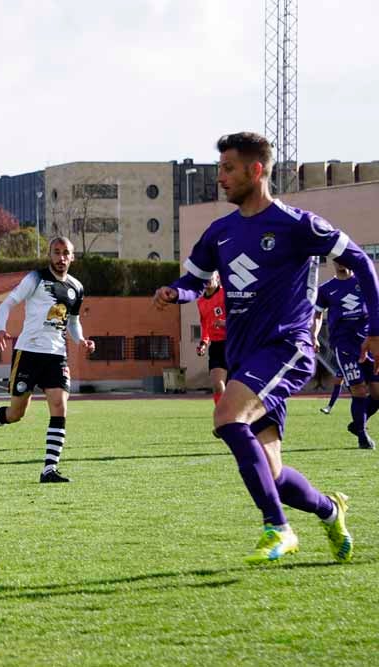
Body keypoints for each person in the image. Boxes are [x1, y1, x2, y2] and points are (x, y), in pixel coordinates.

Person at [153, 131, 379, 564]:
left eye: (228, 169)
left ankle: (277, 528)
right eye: (219, 168)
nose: (220, 178)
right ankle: (330, 510)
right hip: (244, 356)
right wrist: (173, 293)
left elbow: (361, 261)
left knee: (225, 416)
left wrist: (377, 327)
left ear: (257, 170)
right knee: (271, 473)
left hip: (286, 347)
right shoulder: (220, 232)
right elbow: (194, 282)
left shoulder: (298, 225)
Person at [0, 236, 95, 483]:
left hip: (56, 355)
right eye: (57, 252)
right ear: (50, 255)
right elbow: (7, 304)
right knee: (15, 413)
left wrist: (81, 340)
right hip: (28, 353)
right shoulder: (35, 278)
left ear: (72, 257)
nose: (61, 257)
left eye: (66, 253)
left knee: (59, 405)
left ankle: (49, 470)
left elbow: (73, 322)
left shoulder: (77, 287)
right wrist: (0, 328)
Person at [313, 259, 378, 449]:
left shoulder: (364, 282)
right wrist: (314, 336)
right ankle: (362, 435)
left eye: (345, 259)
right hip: (344, 346)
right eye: (338, 260)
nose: (342, 263)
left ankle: (357, 424)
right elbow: (317, 315)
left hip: (368, 343)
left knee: (377, 394)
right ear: (333, 262)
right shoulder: (326, 289)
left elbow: (376, 307)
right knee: (359, 390)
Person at [196, 270, 228, 405]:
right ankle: (223, 418)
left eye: (211, 276)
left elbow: (240, 317)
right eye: (205, 277)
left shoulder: (226, 294)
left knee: (237, 388)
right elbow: (205, 324)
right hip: (216, 347)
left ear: (218, 277)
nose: (208, 279)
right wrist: (204, 342)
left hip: (233, 344)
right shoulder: (201, 302)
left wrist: (224, 323)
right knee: (217, 385)